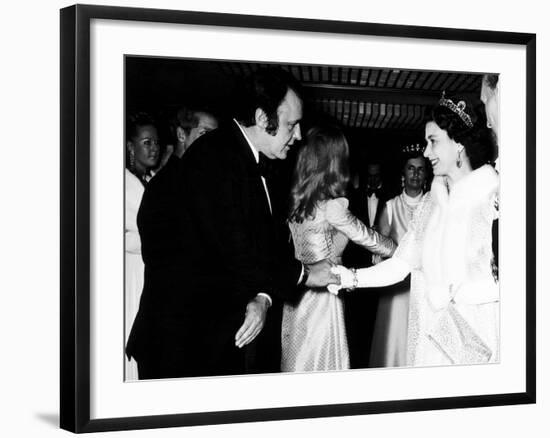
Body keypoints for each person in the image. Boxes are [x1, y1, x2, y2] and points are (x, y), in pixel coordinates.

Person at [126, 69, 337, 379]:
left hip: (217, 338)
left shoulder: (255, 161)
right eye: (292, 124)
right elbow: (238, 249)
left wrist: (263, 297)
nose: (299, 135)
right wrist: (306, 273)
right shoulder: (215, 159)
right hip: (181, 346)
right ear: (263, 118)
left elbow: (271, 243)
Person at [331, 93, 499, 367]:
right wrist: (350, 278)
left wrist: (453, 293)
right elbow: (400, 264)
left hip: (478, 343)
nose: (425, 152)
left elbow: (519, 282)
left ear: (458, 144)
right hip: (431, 342)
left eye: (433, 142)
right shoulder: (432, 203)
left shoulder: (492, 197)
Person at [282, 125, 395, 372]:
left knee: (297, 366)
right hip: (324, 299)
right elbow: (372, 240)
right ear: (335, 164)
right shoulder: (333, 208)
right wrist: (405, 251)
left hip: (294, 298)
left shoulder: (295, 203)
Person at [369, 144, 428, 367]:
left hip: (424, 290)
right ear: (403, 174)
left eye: (420, 169)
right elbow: (379, 248)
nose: (415, 174)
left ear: (426, 174)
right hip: (396, 289)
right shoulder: (391, 206)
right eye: (411, 169)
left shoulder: (434, 206)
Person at [124, 112, 160, 380]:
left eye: (156, 142)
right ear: (130, 147)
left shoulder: (154, 180)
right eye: (147, 142)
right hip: (130, 272)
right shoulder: (120, 184)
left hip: (151, 272)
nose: (154, 148)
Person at [343, 157, 389, 369]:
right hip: (357, 270)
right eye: (369, 175)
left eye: (376, 175)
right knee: (356, 326)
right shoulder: (350, 198)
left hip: (385, 274)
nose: (372, 180)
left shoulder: (391, 198)